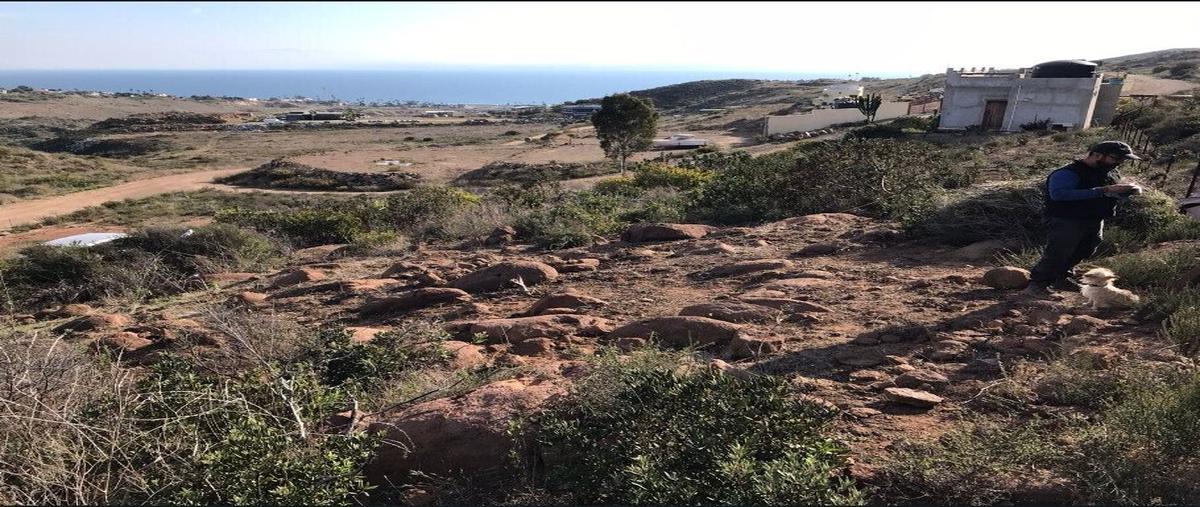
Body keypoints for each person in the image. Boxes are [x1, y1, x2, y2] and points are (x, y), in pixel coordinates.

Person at [1026, 141, 1143, 295]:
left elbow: (1106, 192)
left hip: (1093, 218)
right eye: (1115, 158)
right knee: (1058, 251)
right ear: (1097, 155)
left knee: (1085, 249)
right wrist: (1102, 190)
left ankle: (1061, 277)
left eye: (1122, 160)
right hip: (1066, 219)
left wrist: (1125, 191)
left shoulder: (1108, 173)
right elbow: (1059, 194)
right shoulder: (1068, 173)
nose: (1118, 163)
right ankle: (1038, 283)